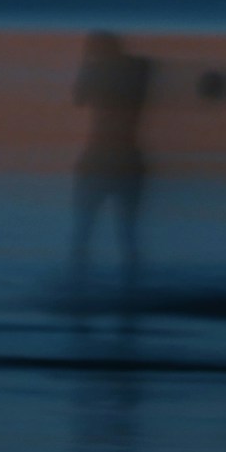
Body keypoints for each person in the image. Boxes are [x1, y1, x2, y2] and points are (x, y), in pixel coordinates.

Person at [70, 30, 153, 294]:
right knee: (125, 234)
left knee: (86, 231)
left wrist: (88, 63)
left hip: (101, 157)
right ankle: (130, 291)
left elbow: (78, 98)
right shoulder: (137, 71)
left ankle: (81, 290)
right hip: (125, 158)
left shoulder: (105, 72)